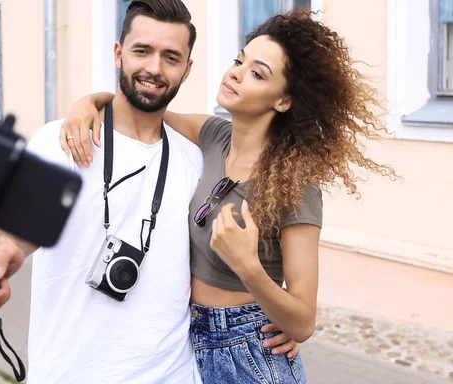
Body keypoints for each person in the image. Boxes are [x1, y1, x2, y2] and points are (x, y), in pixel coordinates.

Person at [0, 1, 298, 383]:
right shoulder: (61, 141)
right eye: (141, 51)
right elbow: (15, 228)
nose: (153, 68)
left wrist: (273, 317)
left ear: (187, 69)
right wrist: (1, 255)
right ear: (118, 54)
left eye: (170, 57)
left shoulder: (195, 158)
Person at [60, 8, 398, 384]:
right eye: (240, 60)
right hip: (191, 344)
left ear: (283, 101)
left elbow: (302, 322)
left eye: (257, 73)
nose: (235, 73)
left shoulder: (294, 183)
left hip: (251, 353)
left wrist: (248, 266)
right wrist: (87, 104)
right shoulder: (213, 135)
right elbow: (142, 104)